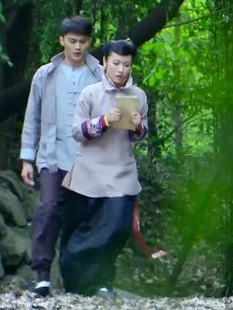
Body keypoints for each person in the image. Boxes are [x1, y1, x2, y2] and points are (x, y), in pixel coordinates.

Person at [19, 16, 103, 297]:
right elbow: (32, 117)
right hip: (52, 157)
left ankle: (77, 280)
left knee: (82, 217)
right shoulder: (45, 75)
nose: (77, 47)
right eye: (72, 41)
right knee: (48, 209)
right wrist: (26, 158)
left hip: (89, 159)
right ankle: (42, 276)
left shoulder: (99, 74)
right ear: (62, 40)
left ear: (89, 42)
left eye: (82, 42)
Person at [60, 39, 148, 297]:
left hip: (122, 173)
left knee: (117, 229)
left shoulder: (138, 96)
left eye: (127, 65)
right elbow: (77, 132)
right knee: (82, 231)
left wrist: (138, 126)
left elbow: (140, 136)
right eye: (116, 63)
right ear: (105, 62)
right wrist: (104, 121)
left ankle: (102, 282)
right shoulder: (90, 93)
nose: (121, 70)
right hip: (89, 174)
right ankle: (78, 284)